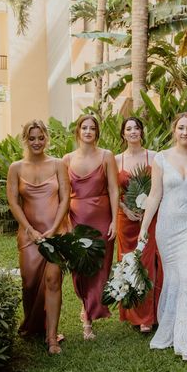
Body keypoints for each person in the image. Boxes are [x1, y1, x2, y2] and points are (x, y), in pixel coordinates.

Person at [139, 112, 187, 361]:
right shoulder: (161, 159)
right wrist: (144, 227)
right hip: (167, 226)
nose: (185, 132)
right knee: (174, 276)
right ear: (174, 130)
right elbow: (154, 195)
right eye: (181, 128)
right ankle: (170, 327)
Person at [7, 119, 70, 354]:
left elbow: (66, 198)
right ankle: (33, 325)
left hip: (55, 232)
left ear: (46, 138)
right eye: (32, 138)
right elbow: (13, 201)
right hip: (29, 234)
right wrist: (29, 230)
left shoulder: (57, 164)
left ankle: (52, 337)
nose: (37, 142)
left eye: (40, 137)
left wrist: (53, 229)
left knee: (53, 281)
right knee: (29, 283)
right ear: (25, 139)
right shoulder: (16, 167)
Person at [63, 115, 118, 340]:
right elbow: (63, 195)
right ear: (78, 131)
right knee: (80, 267)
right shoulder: (66, 160)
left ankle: (89, 314)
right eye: (84, 128)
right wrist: (65, 222)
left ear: (97, 132)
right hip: (77, 219)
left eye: (92, 128)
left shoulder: (106, 156)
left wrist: (115, 220)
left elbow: (114, 189)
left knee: (100, 267)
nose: (88, 131)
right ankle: (85, 306)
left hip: (102, 218)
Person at [115, 117, 162, 333]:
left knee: (148, 263)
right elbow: (112, 192)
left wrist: (147, 210)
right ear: (123, 134)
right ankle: (133, 311)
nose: (133, 132)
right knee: (129, 263)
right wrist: (125, 209)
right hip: (126, 220)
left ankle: (149, 315)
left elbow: (160, 188)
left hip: (150, 218)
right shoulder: (116, 160)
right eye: (128, 129)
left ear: (142, 132)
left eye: (136, 128)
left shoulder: (154, 157)